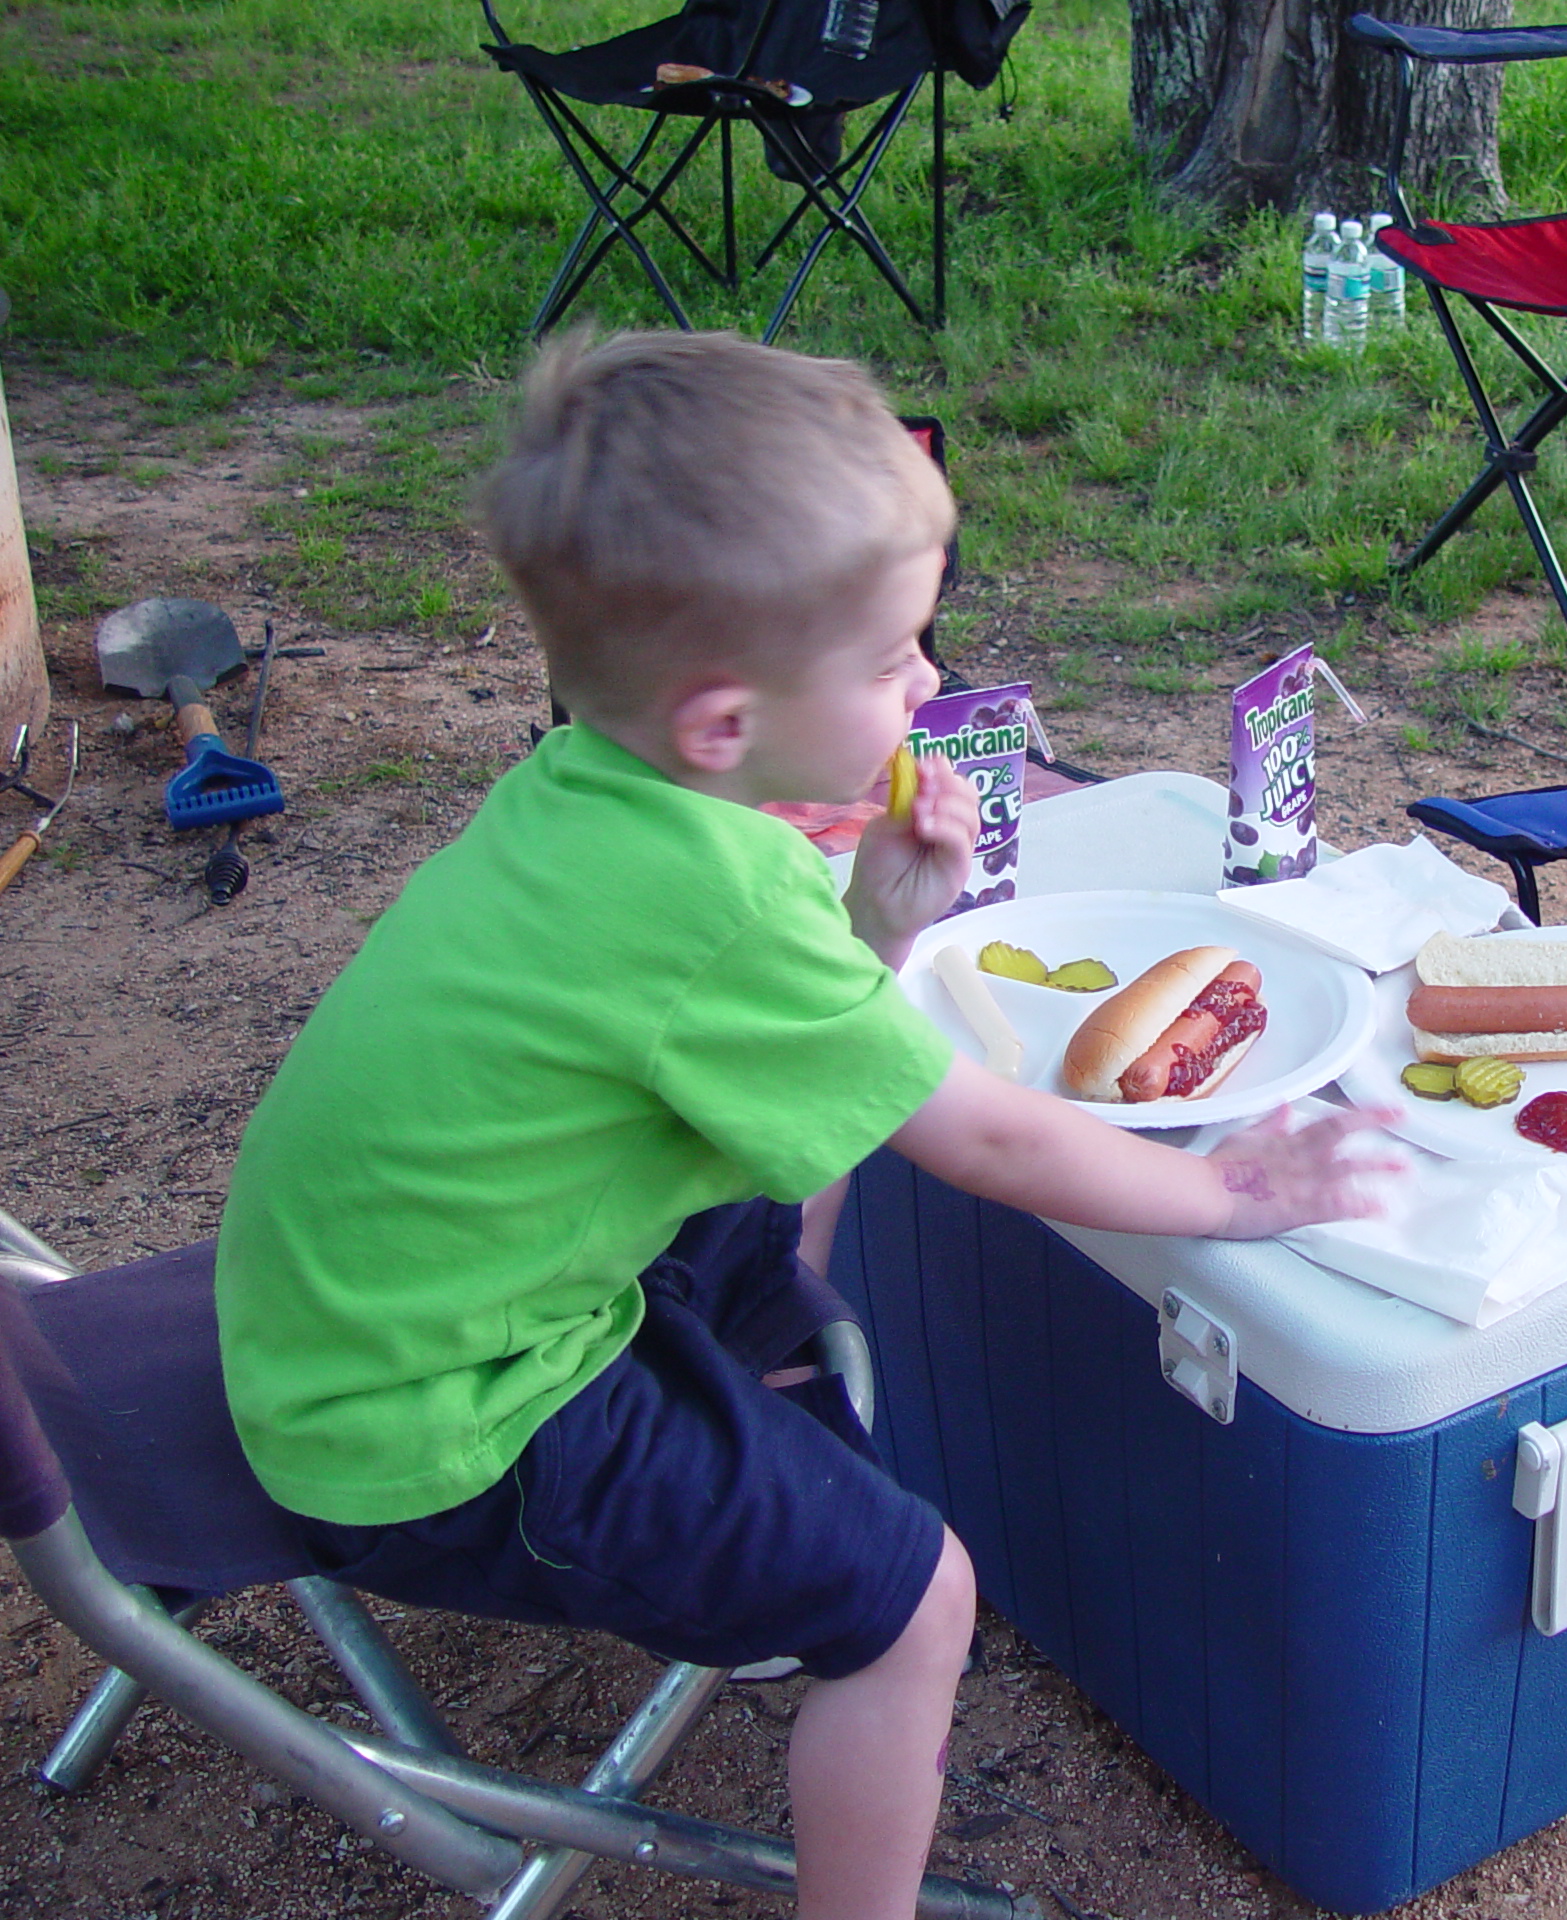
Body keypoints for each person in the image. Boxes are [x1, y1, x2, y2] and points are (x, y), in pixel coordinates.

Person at [214, 330, 1395, 1920]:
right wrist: (1238, 1192)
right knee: (921, 1602)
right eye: (898, 655)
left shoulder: (593, 791)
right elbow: (979, 1134)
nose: (930, 686)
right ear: (723, 724)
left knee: (768, 1184)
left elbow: (768, 1063)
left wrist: (886, 921)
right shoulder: (712, 906)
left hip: (351, 1316)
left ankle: (759, 1404)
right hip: (440, 1424)